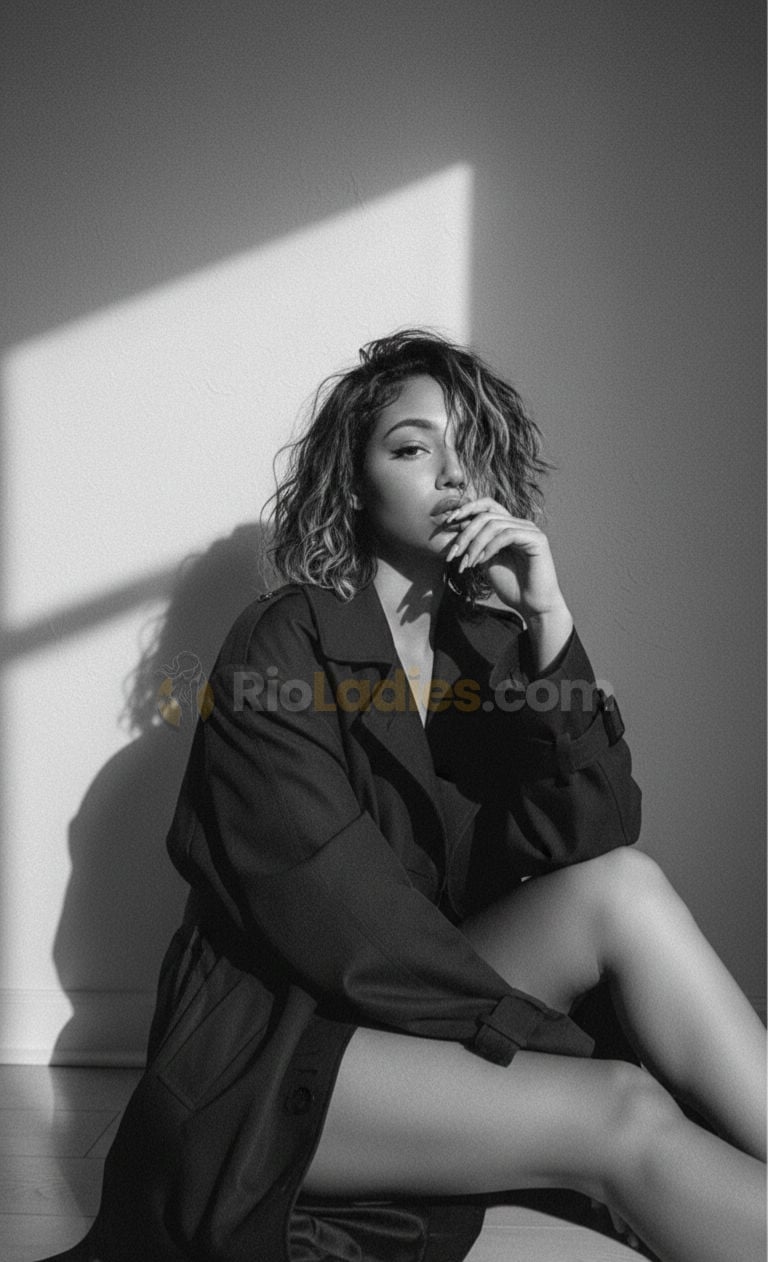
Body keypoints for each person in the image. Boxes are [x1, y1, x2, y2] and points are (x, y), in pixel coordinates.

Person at [50, 331, 765, 1262]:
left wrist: (547, 621)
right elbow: (343, 927)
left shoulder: (486, 644)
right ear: (353, 482)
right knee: (623, 1108)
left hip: (412, 1003)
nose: (451, 474)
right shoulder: (279, 644)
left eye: (469, 450)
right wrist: (557, 1042)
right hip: (280, 1045)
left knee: (625, 888)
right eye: (413, 447)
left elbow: (592, 834)